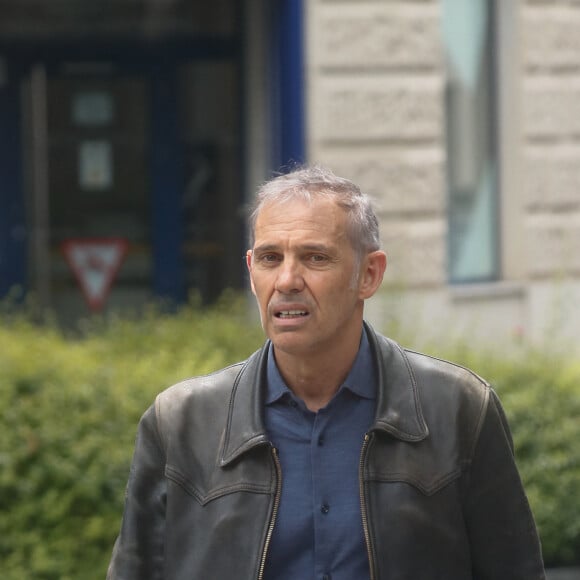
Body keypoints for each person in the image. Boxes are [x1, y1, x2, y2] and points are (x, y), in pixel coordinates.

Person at [108, 165, 545, 579]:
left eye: (315, 258)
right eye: (270, 258)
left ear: (369, 274)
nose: (287, 280)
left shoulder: (459, 410)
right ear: (251, 270)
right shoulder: (181, 423)